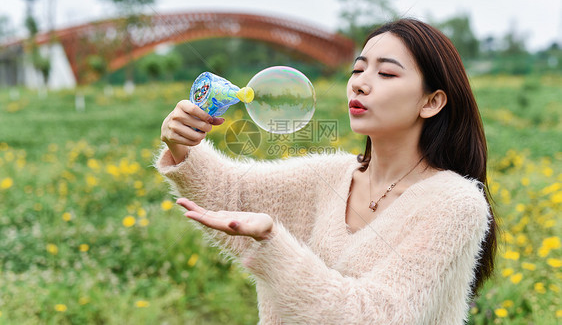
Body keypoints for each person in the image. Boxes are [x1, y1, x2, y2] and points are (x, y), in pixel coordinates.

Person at [156, 18, 497, 324]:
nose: (360, 84)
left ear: (431, 102)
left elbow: (376, 317)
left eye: (387, 73)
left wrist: (273, 244)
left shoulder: (455, 204)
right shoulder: (329, 174)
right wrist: (183, 144)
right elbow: (231, 194)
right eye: (358, 70)